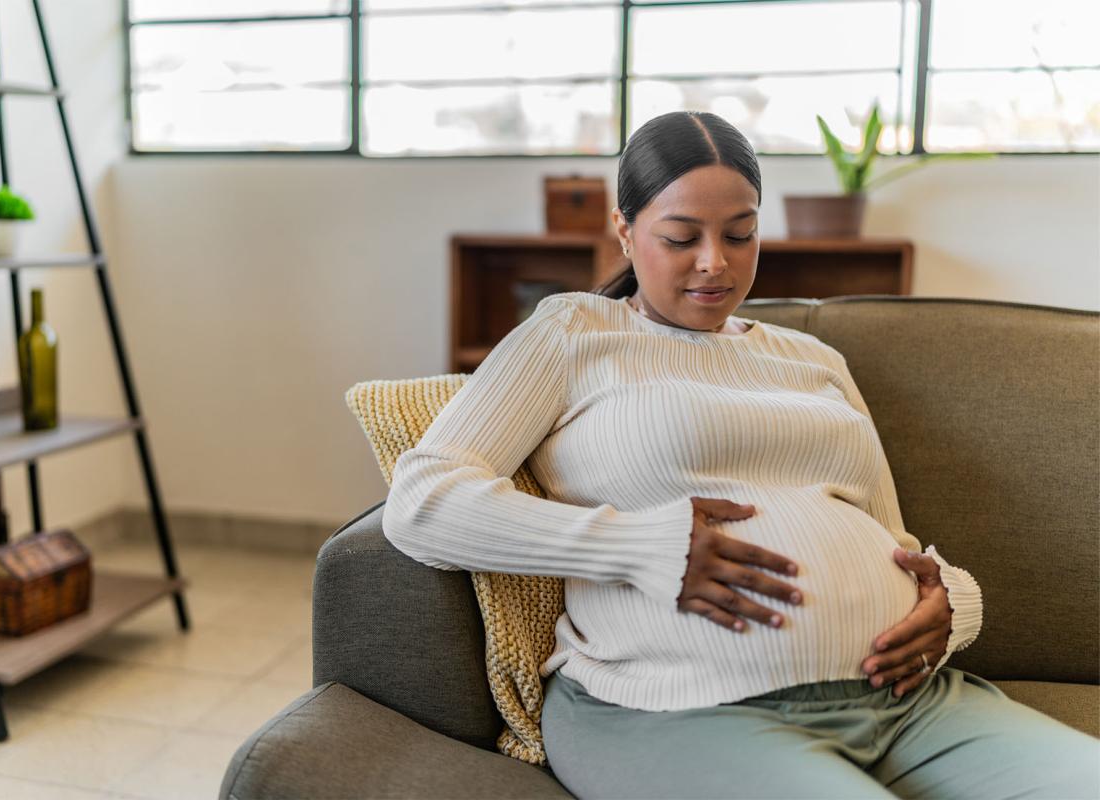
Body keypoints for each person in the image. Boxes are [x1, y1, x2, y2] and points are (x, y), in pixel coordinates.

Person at [381, 111, 1100, 799]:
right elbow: (423, 500)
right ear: (626, 233)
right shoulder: (573, 334)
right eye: (681, 236)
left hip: (909, 704)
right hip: (679, 709)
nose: (714, 264)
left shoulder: (812, 357)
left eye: (741, 234)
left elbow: (894, 539)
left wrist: (951, 603)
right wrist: (635, 548)